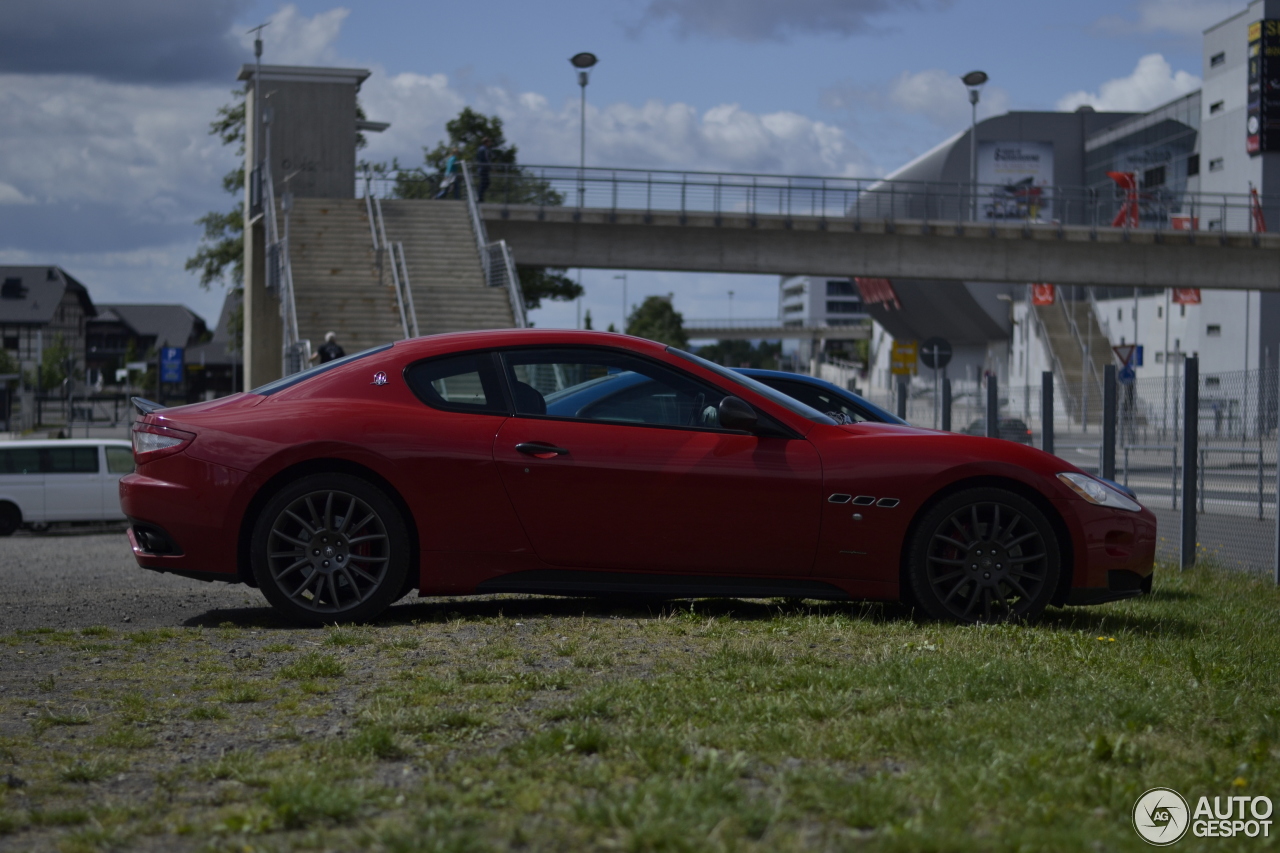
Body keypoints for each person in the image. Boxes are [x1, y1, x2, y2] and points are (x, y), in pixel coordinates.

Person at [476, 136, 492, 202]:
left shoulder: (479, 149)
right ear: (486, 142)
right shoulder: (484, 149)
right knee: (485, 183)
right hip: (484, 168)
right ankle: (479, 197)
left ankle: (480, 196)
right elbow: (486, 159)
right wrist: (490, 167)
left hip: (480, 168)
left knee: (483, 183)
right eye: (489, 142)